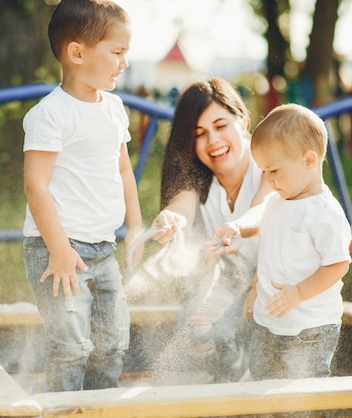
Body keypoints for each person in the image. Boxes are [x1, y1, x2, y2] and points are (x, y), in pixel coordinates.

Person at [21, 0, 142, 392]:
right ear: (77, 53)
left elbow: (123, 169)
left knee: (111, 345)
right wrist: (59, 249)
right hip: (58, 249)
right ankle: (64, 409)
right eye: (117, 52)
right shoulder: (50, 114)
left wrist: (136, 226)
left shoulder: (115, 109)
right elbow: (35, 184)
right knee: (72, 347)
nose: (124, 62)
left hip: (102, 250)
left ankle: (99, 408)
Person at [146, 77, 273, 383]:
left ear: (243, 122)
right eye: (199, 134)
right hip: (227, 282)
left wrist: (258, 282)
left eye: (220, 126)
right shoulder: (200, 179)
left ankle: (249, 378)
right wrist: (170, 220)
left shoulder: (270, 164)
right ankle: (232, 380)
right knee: (197, 329)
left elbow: (262, 208)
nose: (213, 140)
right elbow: (181, 208)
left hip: (279, 280)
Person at [216, 103, 352, 380]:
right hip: (268, 322)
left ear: (309, 160)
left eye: (274, 171)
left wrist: (299, 293)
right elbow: (263, 228)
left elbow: (337, 266)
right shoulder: (279, 200)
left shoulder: (325, 213)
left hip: (309, 329)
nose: (267, 179)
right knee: (263, 382)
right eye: (263, 171)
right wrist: (238, 228)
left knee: (301, 396)